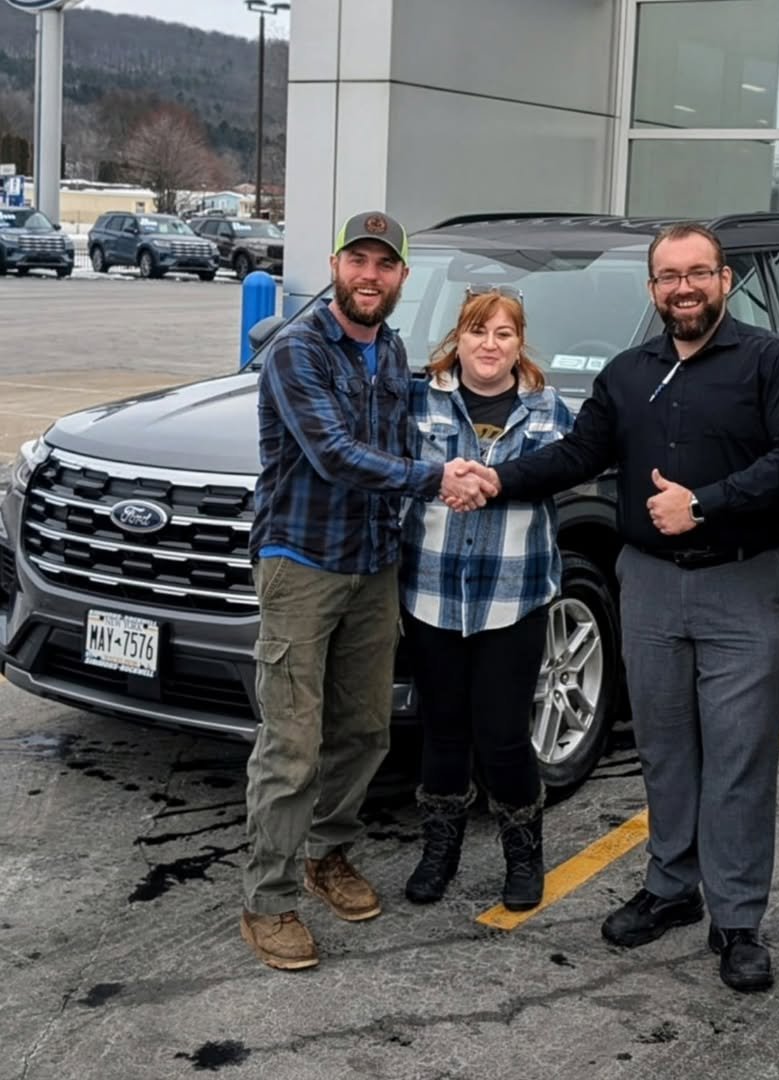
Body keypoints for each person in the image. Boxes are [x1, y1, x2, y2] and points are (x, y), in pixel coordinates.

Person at [453, 224, 779, 991]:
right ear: (653, 290)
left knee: (741, 760)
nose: (683, 288)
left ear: (724, 281)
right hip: (646, 584)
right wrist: (496, 479)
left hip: (744, 585)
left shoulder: (772, 364)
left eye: (698, 274)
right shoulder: (625, 374)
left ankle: (739, 920)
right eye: (668, 276)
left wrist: (706, 504)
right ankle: (672, 887)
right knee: (665, 748)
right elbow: (579, 456)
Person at [241, 211, 490, 971]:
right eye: (358, 261)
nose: (370, 276)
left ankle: (328, 855)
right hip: (301, 565)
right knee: (291, 747)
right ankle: (269, 899)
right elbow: (335, 455)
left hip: (372, 565)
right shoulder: (297, 351)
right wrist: (437, 479)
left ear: (401, 278)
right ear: (335, 265)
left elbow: (405, 441)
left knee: (364, 731)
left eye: (385, 265)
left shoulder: (392, 352)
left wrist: (478, 450)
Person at [398, 287, 574, 911]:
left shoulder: (551, 410)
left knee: (502, 735)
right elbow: (398, 474)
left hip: (514, 595)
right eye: (478, 331)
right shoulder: (420, 400)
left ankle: (523, 855)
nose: (490, 345)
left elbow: (559, 472)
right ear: (458, 338)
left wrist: (487, 487)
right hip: (433, 593)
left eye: (503, 334)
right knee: (442, 732)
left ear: (520, 343)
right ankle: (438, 850)